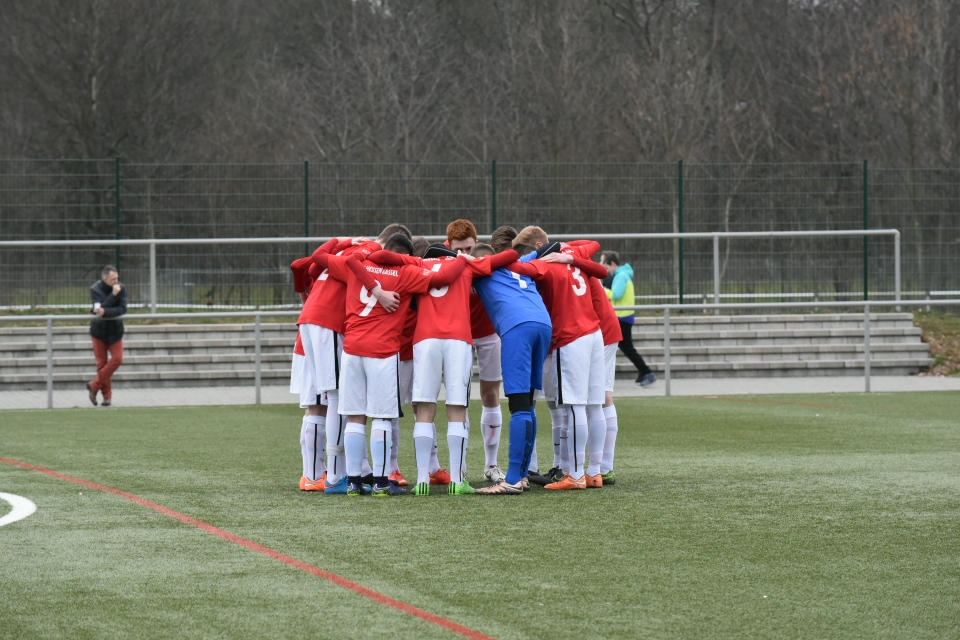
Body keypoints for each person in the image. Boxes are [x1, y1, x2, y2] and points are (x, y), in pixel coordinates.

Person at [312, 232, 468, 497]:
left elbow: (319, 257)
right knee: (382, 417)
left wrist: (346, 242)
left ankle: (354, 482)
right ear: (404, 255)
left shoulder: (357, 265)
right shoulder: (406, 273)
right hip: (383, 352)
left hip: (352, 350)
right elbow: (442, 278)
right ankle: (382, 483)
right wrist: (462, 259)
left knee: (355, 417)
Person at [507, 228, 609, 490]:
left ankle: (575, 475)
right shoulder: (574, 252)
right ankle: (595, 472)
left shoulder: (545, 265)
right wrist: (566, 250)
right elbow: (595, 247)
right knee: (595, 406)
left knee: (574, 406)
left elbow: (515, 268)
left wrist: (535, 256)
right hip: (594, 333)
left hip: (571, 337)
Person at [469, 237, 552, 496]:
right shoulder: (518, 264)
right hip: (543, 324)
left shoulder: (478, 267)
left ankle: (513, 479)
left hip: (518, 327)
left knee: (518, 405)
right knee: (528, 403)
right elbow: (545, 249)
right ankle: (523, 474)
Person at [446, 219, 506, 483]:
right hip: (458, 336)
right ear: (448, 246)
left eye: (469, 249)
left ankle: (491, 464)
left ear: (477, 243)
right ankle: (459, 466)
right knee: (460, 398)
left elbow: (511, 256)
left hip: (489, 332)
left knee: (491, 393)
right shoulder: (443, 262)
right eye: (458, 250)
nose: (464, 254)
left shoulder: (487, 259)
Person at [600, 250, 657, 386]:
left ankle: (646, 372)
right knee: (626, 347)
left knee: (627, 348)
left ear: (613, 264)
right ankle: (644, 372)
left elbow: (616, 295)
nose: (606, 270)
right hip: (624, 316)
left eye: (606, 266)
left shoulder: (620, 276)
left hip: (622, 316)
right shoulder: (623, 275)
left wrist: (600, 288)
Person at [87, 265, 127, 407]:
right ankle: (107, 396)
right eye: (113, 279)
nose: (117, 281)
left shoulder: (121, 288)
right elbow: (99, 310)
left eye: (117, 278)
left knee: (118, 359)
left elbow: (122, 309)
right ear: (105, 279)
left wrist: (106, 312)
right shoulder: (95, 289)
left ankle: (94, 385)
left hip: (115, 331)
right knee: (102, 364)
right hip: (99, 331)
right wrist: (113, 295)